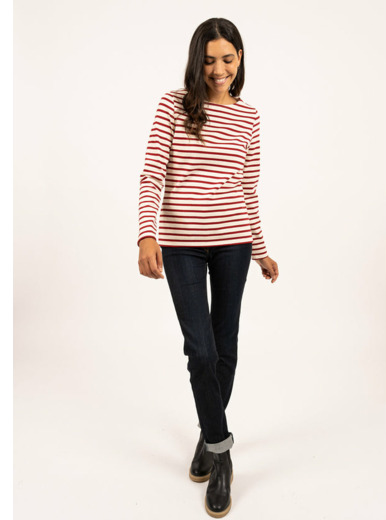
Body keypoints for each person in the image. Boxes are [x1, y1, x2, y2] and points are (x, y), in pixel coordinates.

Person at [137, 17, 279, 518]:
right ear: (196, 59)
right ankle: (222, 454)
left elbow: (247, 190)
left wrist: (261, 250)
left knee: (225, 346)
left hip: (234, 243)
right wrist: (146, 234)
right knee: (200, 350)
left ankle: (207, 437)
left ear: (240, 60)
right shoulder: (172, 105)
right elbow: (151, 173)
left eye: (228, 59)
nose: (219, 69)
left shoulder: (250, 118)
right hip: (182, 246)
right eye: (210, 59)